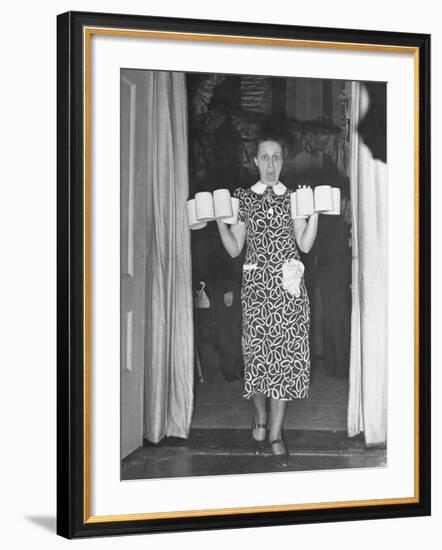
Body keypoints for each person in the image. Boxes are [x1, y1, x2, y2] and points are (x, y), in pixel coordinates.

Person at [216, 135, 318, 467]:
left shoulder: (293, 197)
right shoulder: (244, 198)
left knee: (285, 361)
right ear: (256, 161)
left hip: (288, 291)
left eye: (276, 157)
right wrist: (220, 220)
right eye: (265, 157)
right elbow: (234, 248)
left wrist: (314, 213)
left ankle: (275, 433)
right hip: (258, 291)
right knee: (259, 358)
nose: (271, 164)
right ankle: (259, 414)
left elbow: (304, 244)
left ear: (282, 161)